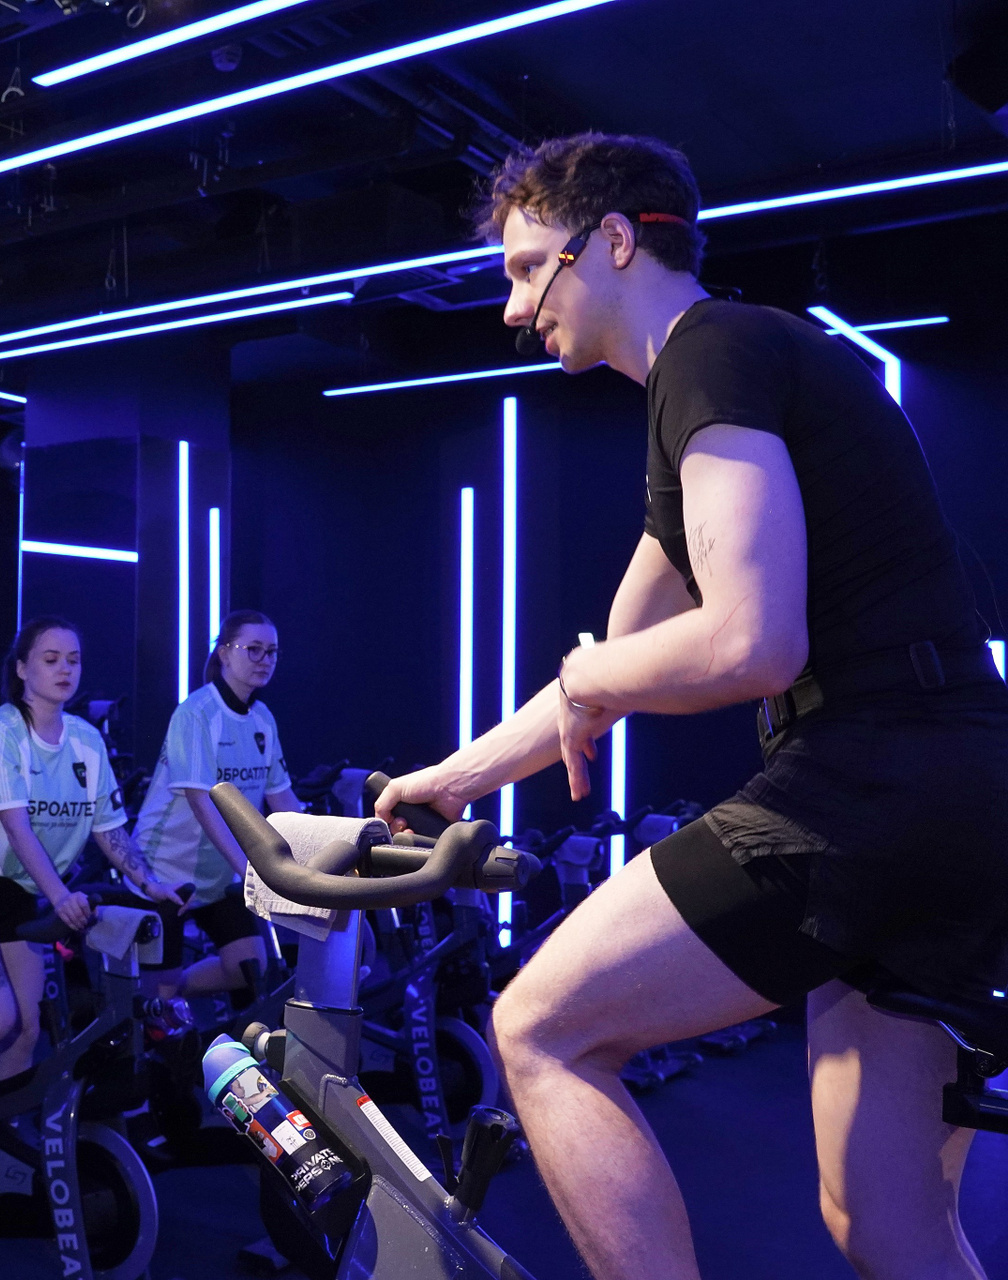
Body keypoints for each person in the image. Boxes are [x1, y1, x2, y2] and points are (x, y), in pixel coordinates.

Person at [375, 133, 1008, 1280]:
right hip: (958, 795)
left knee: (541, 1027)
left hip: (869, 779)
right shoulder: (730, 380)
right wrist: (447, 783)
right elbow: (615, 661)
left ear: (613, 240)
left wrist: (592, 683)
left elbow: (749, 641)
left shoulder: (711, 352)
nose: (514, 309)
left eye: (528, 269)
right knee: (888, 1223)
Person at [0, 617, 183, 1086]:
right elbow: (17, 829)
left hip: (22, 890)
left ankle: (2, 1122)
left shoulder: (87, 741)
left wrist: (150, 884)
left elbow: (110, 830)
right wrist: (60, 898)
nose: (65, 669)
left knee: (29, 1029)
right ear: (21, 668)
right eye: (51, 660)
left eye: (73, 660)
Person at [133, 611, 299, 1000]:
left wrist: (330, 849)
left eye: (272, 651)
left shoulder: (262, 719)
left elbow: (283, 801)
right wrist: (251, 870)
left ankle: (172, 996)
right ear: (224, 652)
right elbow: (204, 805)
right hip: (165, 873)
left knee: (250, 968)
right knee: (156, 998)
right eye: (253, 649)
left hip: (218, 877)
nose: (264, 660)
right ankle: (161, 999)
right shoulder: (196, 714)